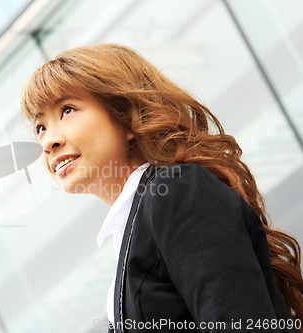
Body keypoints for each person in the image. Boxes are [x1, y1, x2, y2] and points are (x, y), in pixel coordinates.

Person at [21, 44, 303, 332]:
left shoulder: (178, 190)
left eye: (67, 110)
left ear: (126, 116)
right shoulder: (137, 226)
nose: (48, 142)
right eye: (40, 127)